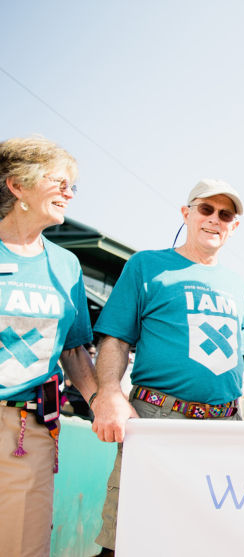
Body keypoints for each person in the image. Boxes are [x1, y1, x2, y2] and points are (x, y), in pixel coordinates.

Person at [90, 179, 244, 555]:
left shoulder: (236, 284)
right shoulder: (147, 264)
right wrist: (110, 391)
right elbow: (114, 337)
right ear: (187, 213)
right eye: (206, 209)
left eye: (225, 214)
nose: (215, 220)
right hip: (158, 416)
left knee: (206, 538)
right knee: (128, 536)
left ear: (234, 226)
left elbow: (236, 361)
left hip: (223, 424)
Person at [0, 137, 97, 556]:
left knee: (23, 547)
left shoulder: (65, 264)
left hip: (28, 431)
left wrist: (102, 399)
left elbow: (74, 350)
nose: (69, 194)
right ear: (17, 186)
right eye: (60, 183)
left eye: (73, 186)